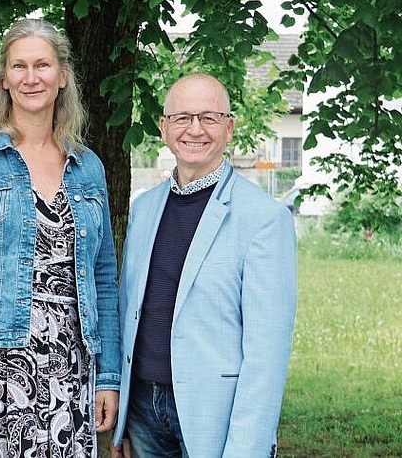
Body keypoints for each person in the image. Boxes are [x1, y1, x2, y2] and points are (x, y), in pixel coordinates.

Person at [0, 18, 120, 458]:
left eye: (42, 65)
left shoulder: (89, 168)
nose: (31, 77)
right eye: (19, 66)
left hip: (70, 372)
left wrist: (108, 377)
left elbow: (104, 280)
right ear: (5, 79)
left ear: (63, 75)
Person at [112, 73, 297, 458]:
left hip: (215, 413)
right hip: (144, 411)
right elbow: (129, 313)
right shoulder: (144, 209)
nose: (194, 129)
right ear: (164, 129)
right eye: (182, 118)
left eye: (209, 118)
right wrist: (125, 424)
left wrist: (248, 448)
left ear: (228, 128)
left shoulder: (264, 218)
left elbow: (267, 354)